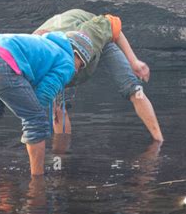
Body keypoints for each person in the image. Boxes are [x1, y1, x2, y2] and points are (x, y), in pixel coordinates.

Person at [0, 30, 94, 175]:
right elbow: (42, 97)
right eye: (81, 65)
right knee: (36, 120)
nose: (77, 71)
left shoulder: (45, 45)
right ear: (77, 53)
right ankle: (37, 182)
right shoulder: (67, 61)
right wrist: (39, 124)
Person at [34, 10, 163, 143]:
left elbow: (112, 25)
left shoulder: (90, 33)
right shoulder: (36, 57)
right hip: (57, 50)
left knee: (135, 90)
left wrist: (133, 61)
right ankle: (61, 157)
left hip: (96, 39)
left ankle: (159, 141)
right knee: (58, 110)